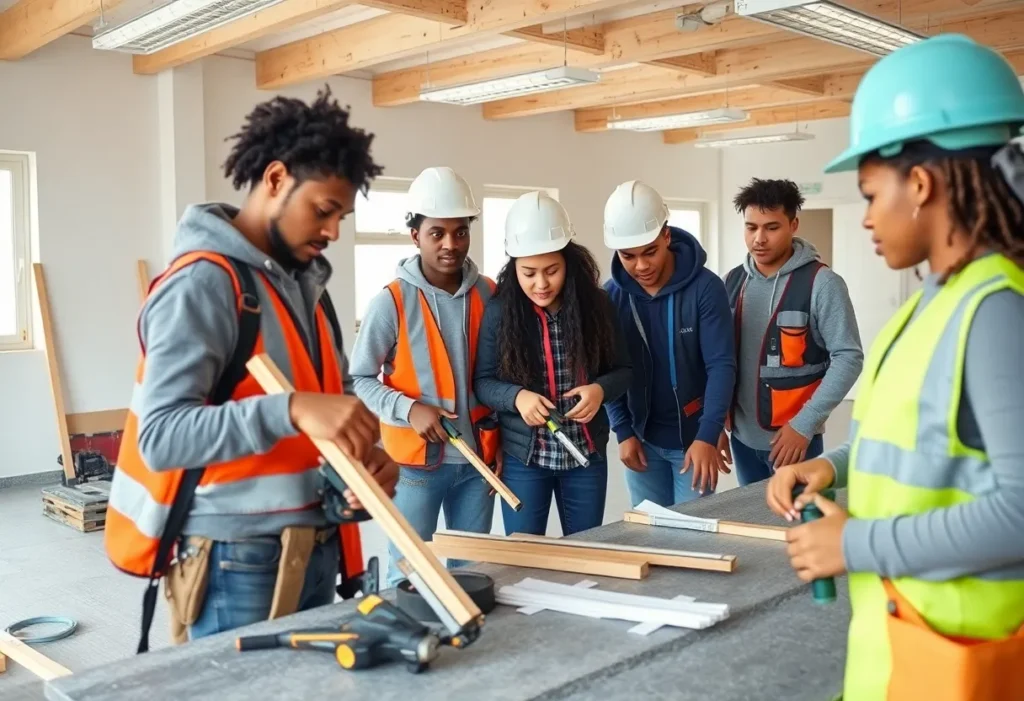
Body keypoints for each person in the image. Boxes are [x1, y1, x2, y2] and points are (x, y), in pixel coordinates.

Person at [766, 34, 1024, 701]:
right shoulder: (935, 301)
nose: (867, 218)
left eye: (870, 194)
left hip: (962, 662)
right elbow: (925, 443)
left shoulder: (996, 312)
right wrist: (833, 466)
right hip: (903, 654)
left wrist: (857, 543)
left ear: (920, 182)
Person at [104, 87, 399, 650]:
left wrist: (367, 464)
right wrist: (289, 409)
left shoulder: (307, 289)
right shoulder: (203, 284)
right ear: (275, 179)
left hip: (316, 544)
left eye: (341, 215)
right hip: (234, 564)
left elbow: (324, 415)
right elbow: (161, 437)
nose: (334, 230)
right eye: (323, 210)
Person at [349, 166, 500, 586]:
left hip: (478, 463)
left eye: (460, 232)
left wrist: (504, 441)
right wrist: (408, 408)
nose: (451, 244)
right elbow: (359, 379)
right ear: (415, 234)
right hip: (414, 467)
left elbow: (505, 376)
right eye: (437, 233)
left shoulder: (490, 294)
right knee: (409, 574)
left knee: (472, 575)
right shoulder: (391, 302)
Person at [474, 191, 632, 536]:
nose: (541, 284)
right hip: (524, 459)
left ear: (569, 264)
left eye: (552, 271)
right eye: (528, 273)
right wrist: (517, 397)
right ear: (513, 267)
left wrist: (600, 390)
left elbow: (625, 370)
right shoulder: (500, 311)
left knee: (585, 548)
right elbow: (483, 382)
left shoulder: (599, 307)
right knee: (525, 553)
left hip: (586, 456)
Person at [602, 180, 736, 506]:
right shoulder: (611, 296)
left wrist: (708, 433)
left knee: (692, 545)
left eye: (650, 252)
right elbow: (605, 369)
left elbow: (721, 365)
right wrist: (623, 431)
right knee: (649, 539)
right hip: (642, 441)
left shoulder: (706, 288)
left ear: (666, 235)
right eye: (628, 256)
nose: (641, 266)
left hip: (695, 442)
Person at [723, 177, 863, 486]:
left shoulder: (823, 283)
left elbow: (849, 358)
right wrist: (717, 423)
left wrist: (805, 424)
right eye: (751, 227)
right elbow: (719, 360)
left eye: (771, 227)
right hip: (742, 439)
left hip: (796, 440)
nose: (759, 238)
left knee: (799, 528)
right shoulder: (732, 283)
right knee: (755, 529)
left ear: (793, 224)